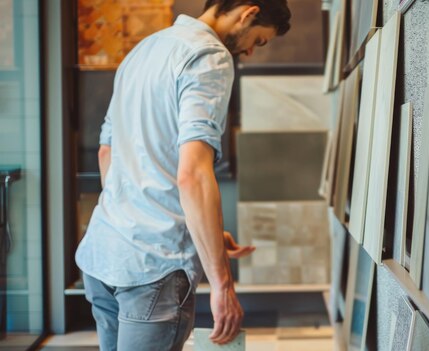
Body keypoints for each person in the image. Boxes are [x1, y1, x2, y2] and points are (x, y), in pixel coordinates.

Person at [75, 1, 291, 350]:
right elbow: (192, 173)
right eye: (259, 40)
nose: (250, 50)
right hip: (153, 269)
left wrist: (202, 231)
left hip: (104, 253)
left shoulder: (143, 50)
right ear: (248, 13)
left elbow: (108, 153)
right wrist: (222, 285)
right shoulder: (210, 57)